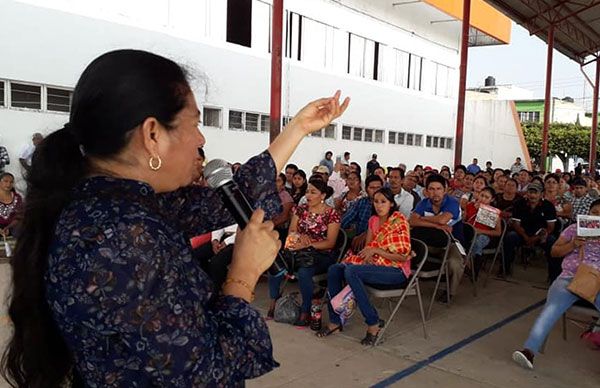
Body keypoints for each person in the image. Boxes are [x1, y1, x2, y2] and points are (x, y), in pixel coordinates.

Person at [0, 49, 350, 387]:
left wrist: (298, 128)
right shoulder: (123, 235)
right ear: (152, 135)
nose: (200, 139)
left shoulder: (109, 202)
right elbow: (204, 373)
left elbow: (224, 200)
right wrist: (243, 275)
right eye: (195, 123)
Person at [512, 199, 600, 370]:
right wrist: (573, 244)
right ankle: (529, 350)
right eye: (595, 212)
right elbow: (554, 251)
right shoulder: (574, 229)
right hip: (570, 277)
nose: (598, 216)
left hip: (597, 282)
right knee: (551, 309)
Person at [317, 188, 412, 345]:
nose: (379, 205)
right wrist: (369, 255)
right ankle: (335, 321)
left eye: (383, 202)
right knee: (335, 269)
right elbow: (368, 248)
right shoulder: (373, 220)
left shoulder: (399, 221)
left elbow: (402, 256)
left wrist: (375, 251)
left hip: (396, 270)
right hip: (376, 265)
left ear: (391, 204)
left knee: (352, 271)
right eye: (376, 202)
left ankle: (373, 323)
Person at [267, 177, 341, 326]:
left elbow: (330, 242)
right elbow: (292, 231)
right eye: (307, 192)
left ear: (323, 195)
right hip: (298, 251)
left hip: (321, 254)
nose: (308, 196)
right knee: (274, 262)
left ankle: (306, 310)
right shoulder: (300, 210)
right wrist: (299, 239)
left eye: (313, 192)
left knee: (304, 272)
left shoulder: (332, 214)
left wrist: (308, 244)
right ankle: (274, 299)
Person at [410, 174, 464, 301]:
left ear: (445, 190)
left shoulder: (452, 202)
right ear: (427, 191)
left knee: (455, 264)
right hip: (431, 242)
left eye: (439, 189)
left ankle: (450, 292)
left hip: (452, 243)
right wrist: (437, 226)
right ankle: (407, 281)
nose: (435, 193)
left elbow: (442, 219)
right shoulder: (424, 203)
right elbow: (411, 221)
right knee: (408, 245)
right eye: (432, 189)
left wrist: (422, 218)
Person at [503, 181, 558, 280]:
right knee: (510, 237)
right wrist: (526, 237)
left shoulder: (548, 206)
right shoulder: (519, 203)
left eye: (535, 192)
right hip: (522, 233)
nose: (532, 195)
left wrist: (536, 238)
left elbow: (550, 227)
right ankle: (505, 269)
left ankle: (553, 275)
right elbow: (516, 224)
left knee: (552, 241)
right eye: (530, 192)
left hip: (541, 235)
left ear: (541, 194)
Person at [463, 187, 502, 278]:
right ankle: (467, 265)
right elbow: (463, 221)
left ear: (492, 199)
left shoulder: (493, 212)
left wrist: (480, 231)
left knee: (478, 241)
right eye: (482, 195)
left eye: (486, 197)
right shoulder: (470, 206)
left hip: (484, 235)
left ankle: (473, 267)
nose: (483, 199)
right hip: (469, 233)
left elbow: (498, 232)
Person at [342, 175, 384, 251]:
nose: (376, 191)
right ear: (366, 190)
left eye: (378, 188)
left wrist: (367, 234)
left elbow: (386, 225)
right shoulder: (361, 202)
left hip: (381, 243)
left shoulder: (388, 205)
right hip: (359, 242)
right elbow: (345, 220)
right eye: (372, 188)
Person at [272, 172, 295, 241]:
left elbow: (284, 217)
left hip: (279, 230)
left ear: (283, 185)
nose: (274, 183)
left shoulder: (286, 197)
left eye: (278, 181)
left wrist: (267, 226)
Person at [0, 173, 23, 238]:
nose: (8, 184)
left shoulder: (17, 197)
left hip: (12, 227)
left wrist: (8, 228)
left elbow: (19, 217)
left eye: (11, 182)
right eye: (6, 181)